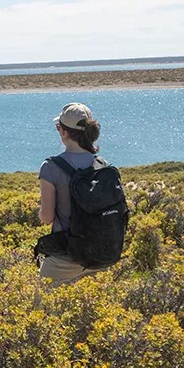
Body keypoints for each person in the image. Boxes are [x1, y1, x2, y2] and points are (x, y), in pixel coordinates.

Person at [37, 101, 111, 285]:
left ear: (63, 131)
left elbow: (46, 217)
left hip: (65, 256)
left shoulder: (51, 167)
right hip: (100, 255)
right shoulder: (103, 166)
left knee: (42, 309)